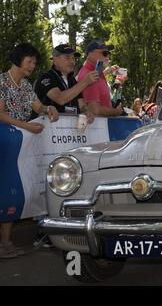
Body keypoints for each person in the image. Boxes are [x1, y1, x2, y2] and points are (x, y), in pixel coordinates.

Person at [0, 43, 59, 259]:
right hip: (4, 143)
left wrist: (47, 108)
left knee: (12, 188)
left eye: (35, 62)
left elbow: (37, 107)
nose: (33, 65)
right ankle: (4, 243)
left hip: (18, 145)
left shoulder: (25, 86)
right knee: (7, 188)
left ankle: (5, 242)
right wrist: (26, 126)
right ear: (18, 59)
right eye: (30, 61)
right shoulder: (1, 81)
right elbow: (0, 115)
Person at [32, 44, 98, 122]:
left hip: (69, 130)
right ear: (55, 59)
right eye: (67, 57)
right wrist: (85, 81)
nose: (72, 61)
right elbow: (60, 99)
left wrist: (86, 112)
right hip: (47, 129)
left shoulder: (72, 80)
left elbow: (82, 105)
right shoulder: (46, 77)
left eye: (73, 58)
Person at [77, 40, 123, 116]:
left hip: (101, 124)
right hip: (97, 126)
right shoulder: (89, 75)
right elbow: (94, 110)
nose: (107, 56)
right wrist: (116, 111)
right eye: (104, 53)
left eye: (109, 53)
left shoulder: (97, 72)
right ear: (90, 54)